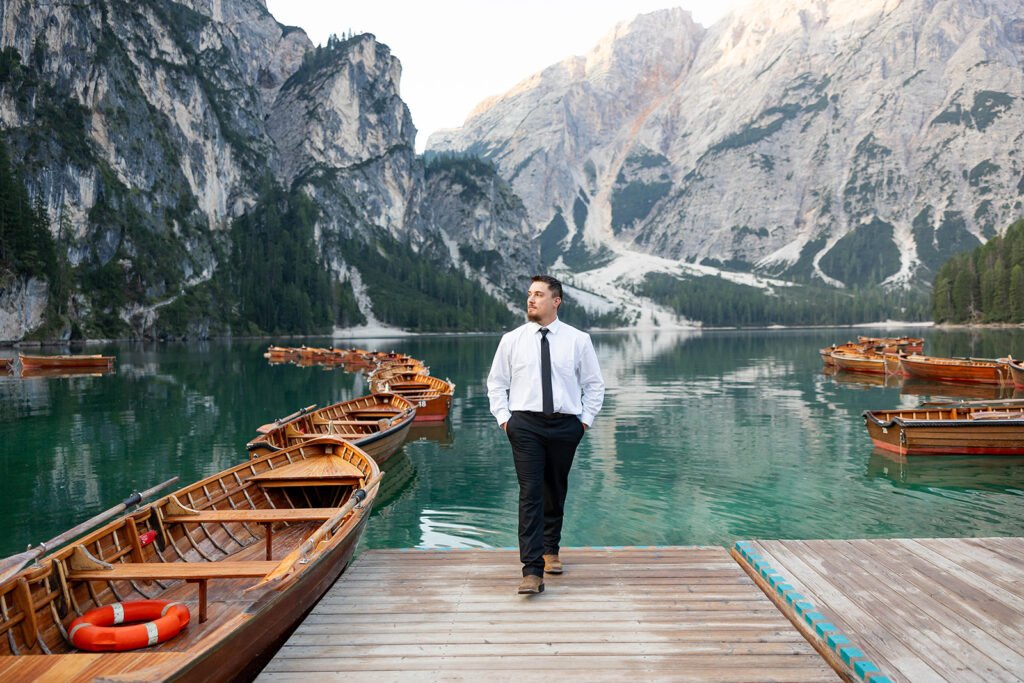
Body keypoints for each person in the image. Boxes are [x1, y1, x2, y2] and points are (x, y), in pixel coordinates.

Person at [487, 275, 605, 594]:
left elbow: (594, 385)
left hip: (566, 424)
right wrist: (505, 421)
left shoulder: (578, 340)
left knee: (555, 487)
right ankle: (531, 570)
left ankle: (550, 549)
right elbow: (496, 383)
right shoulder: (512, 340)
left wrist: (584, 422)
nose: (531, 299)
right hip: (524, 424)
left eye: (538, 294)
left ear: (556, 301)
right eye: (529, 294)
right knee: (530, 493)